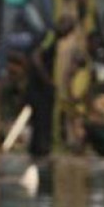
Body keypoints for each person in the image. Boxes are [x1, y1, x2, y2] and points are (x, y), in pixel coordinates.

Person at [26, 14, 76, 160]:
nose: (67, 35)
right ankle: (40, 151)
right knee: (42, 118)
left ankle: (39, 150)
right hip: (39, 87)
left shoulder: (51, 36)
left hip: (40, 86)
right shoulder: (50, 36)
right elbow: (36, 57)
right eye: (68, 30)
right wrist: (47, 80)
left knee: (41, 119)